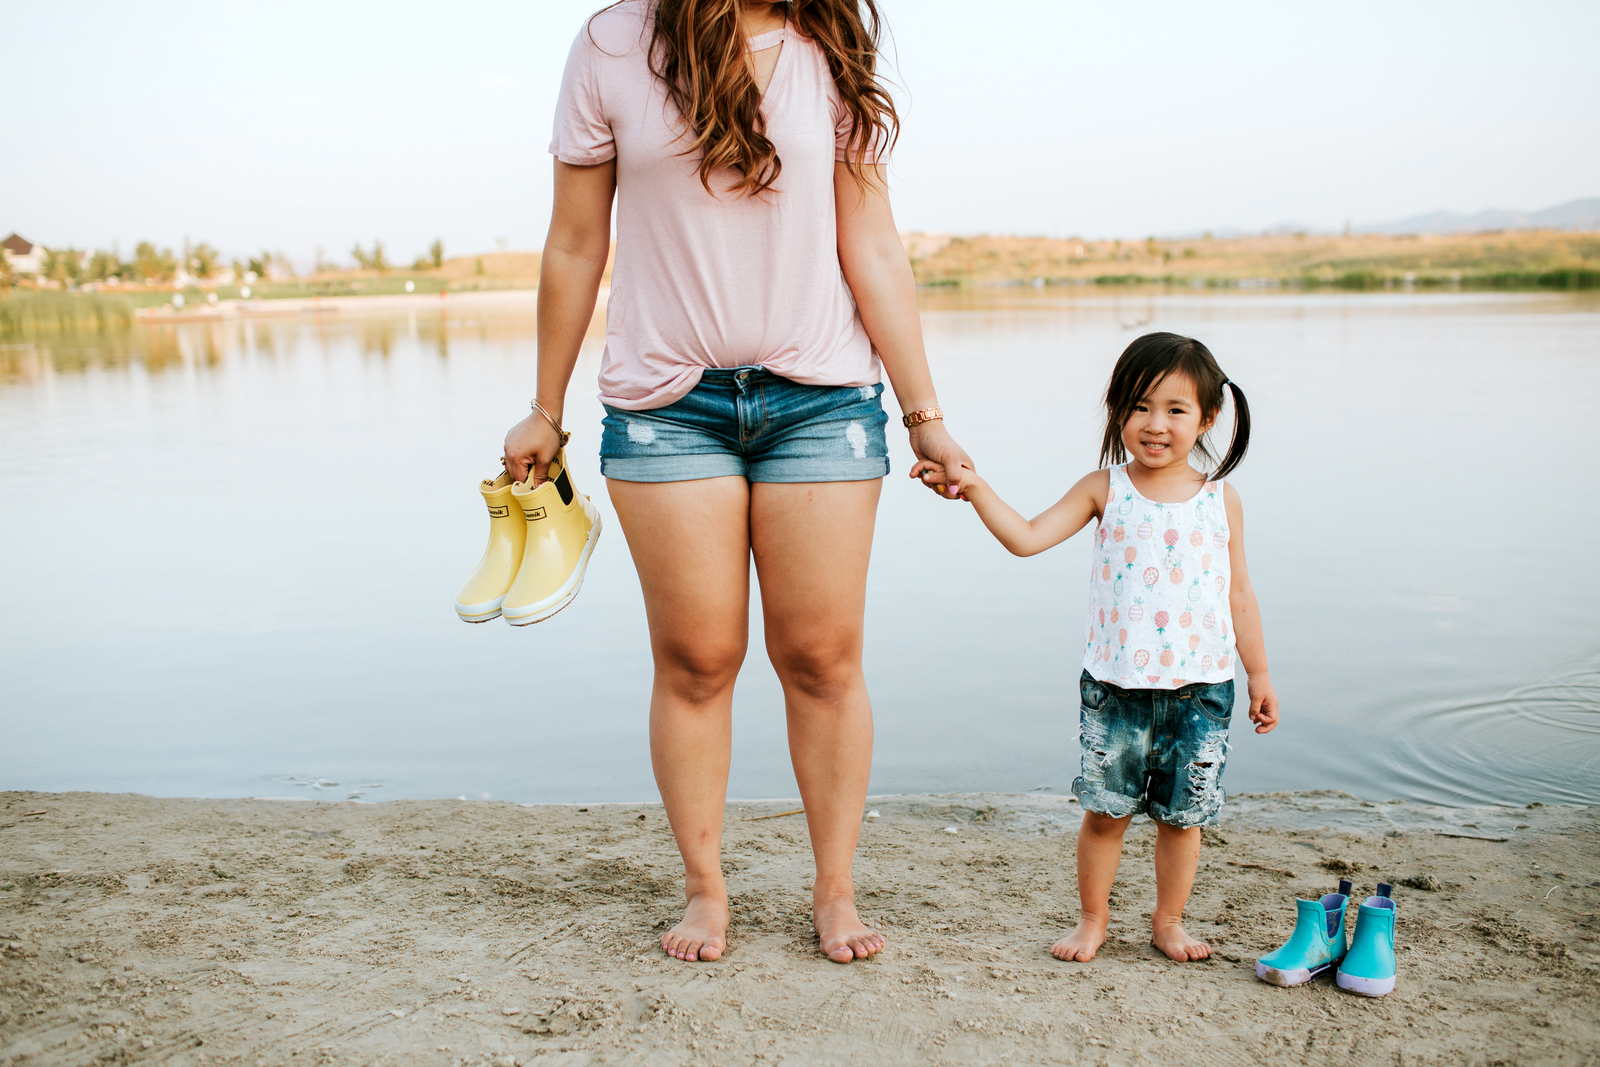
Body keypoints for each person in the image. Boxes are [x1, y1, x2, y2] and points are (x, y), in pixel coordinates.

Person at [502, 0, 974, 965]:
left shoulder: (828, 45)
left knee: (822, 657)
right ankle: (706, 889)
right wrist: (544, 410)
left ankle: (834, 890)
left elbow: (873, 243)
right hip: (664, 404)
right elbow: (575, 243)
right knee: (697, 657)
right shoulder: (610, 44)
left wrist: (926, 416)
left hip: (823, 400)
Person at [915, 332, 1278, 962]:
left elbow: (1239, 593)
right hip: (1116, 689)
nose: (1154, 424)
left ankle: (1169, 921)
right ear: (1116, 410)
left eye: (1175, 409)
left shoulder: (1222, 500)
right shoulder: (1105, 488)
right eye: (1138, 407)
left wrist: (1261, 673)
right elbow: (1026, 538)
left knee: (1182, 819)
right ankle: (1093, 920)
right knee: (1106, 815)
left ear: (1209, 417)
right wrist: (974, 487)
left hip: (1203, 689)